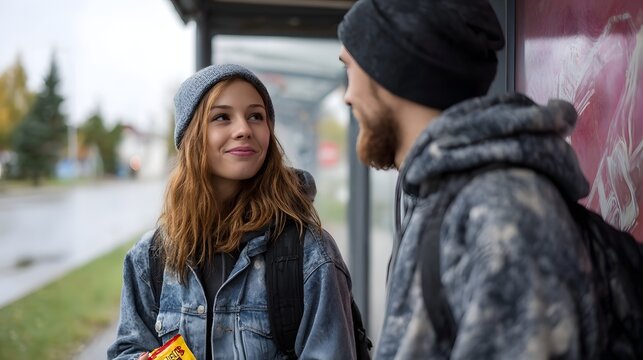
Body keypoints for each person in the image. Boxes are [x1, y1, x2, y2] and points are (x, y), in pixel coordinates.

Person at [338, 0, 603, 358]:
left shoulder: (502, 209)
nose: (348, 95)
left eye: (351, 69)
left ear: (388, 74)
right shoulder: (443, 196)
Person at [107, 64, 356, 359]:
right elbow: (128, 349)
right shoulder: (149, 257)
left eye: (256, 116)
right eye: (222, 117)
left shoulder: (310, 253)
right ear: (191, 136)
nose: (244, 130)